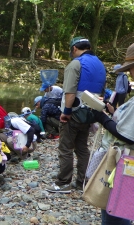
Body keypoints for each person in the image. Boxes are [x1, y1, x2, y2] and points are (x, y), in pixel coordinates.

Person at [45, 37, 106, 193]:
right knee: (82, 148)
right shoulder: (100, 64)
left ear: (74, 49)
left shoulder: (76, 64)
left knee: (65, 148)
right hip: (90, 113)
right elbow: (102, 93)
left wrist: (66, 113)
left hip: (74, 113)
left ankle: (63, 183)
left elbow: (70, 92)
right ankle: (82, 182)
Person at [91, 43, 134, 225]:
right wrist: (112, 112)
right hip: (126, 164)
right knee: (119, 208)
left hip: (125, 163)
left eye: (131, 68)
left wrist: (101, 118)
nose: (130, 73)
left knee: (114, 210)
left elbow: (128, 136)